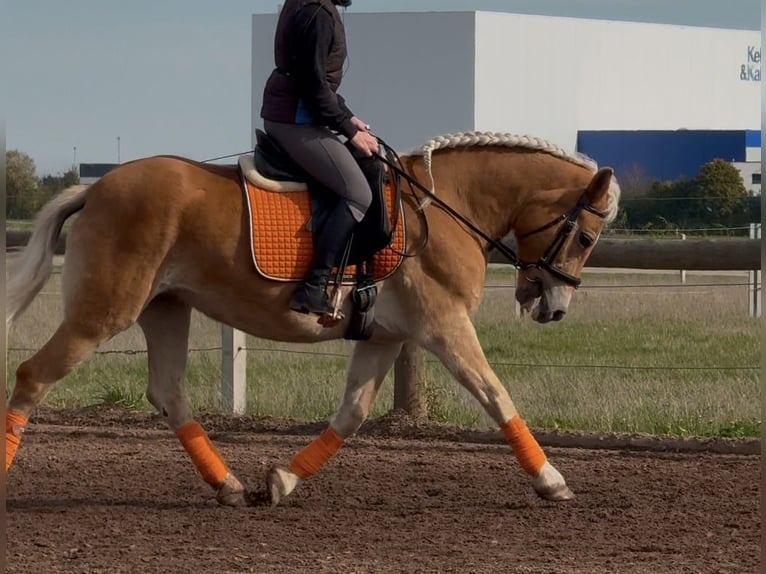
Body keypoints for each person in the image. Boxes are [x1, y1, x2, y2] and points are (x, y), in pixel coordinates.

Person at [260, 0, 380, 316]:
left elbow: (317, 83)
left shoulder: (304, 3)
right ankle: (313, 287)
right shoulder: (320, 15)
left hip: (294, 113)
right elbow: (312, 84)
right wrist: (347, 129)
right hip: (296, 120)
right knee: (358, 194)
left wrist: (348, 117)